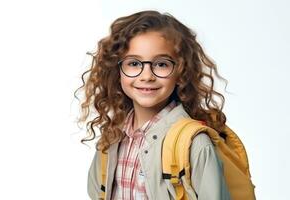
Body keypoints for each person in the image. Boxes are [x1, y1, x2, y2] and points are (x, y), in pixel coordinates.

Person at [75, 10, 231, 200]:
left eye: (161, 64)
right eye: (133, 63)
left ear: (181, 72)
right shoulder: (112, 139)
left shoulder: (195, 145)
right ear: (117, 71)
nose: (147, 76)